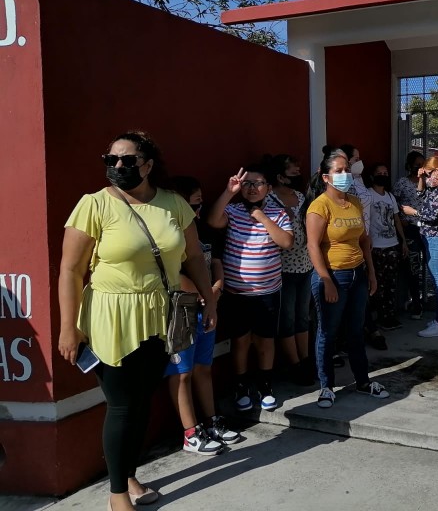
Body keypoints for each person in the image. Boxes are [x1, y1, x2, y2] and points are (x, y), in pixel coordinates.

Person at [58, 131, 217, 511]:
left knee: (142, 400)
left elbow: (193, 257)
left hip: (161, 314)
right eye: (110, 160)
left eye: (127, 161)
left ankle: (128, 476)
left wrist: (208, 301)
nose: (117, 167)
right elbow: (69, 269)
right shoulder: (93, 205)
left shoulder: (173, 204)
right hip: (110, 316)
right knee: (122, 404)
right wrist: (68, 326)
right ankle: (117, 496)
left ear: (147, 165)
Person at [306, 148, 390, 408]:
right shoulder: (319, 206)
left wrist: (371, 273)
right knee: (328, 333)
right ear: (325, 177)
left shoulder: (353, 202)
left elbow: (364, 239)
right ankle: (326, 387)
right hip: (333, 276)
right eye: (339, 171)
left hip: (357, 275)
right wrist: (326, 280)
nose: (345, 174)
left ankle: (363, 382)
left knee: (355, 331)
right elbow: (312, 246)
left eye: (347, 170)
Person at [207, 164, 293, 412]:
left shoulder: (278, 214)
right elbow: (213, 221)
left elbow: (286, 242)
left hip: (267, 292)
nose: (252, 188)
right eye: (247, 184)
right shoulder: (232, 210)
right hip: (237, 293)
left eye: (258, 183)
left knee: (265, 341)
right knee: (241, 341)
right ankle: (241, 385)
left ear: (268, 187)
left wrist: (263, 218)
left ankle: (265, 385)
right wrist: (228, 192)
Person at [164, 176, 240, 455]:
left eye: (200, 203)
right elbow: (172, 274)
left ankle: (211, 422)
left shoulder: (203, 231)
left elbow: (216, 261)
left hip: (208, 305)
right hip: (181, 310)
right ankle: (190, 432)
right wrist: (203, 292)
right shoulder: (170, 235)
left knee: (203, 368)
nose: (198, 210)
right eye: (193, 203)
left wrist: (215, 290)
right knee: (181, 373)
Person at [265, 154, 316, 386]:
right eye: (291, 168)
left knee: (303, 316)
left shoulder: (299, 196)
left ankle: (305, 360)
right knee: (286, 318)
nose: (297, 169)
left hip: (305, 265)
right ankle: (293, 363)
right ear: (278, 175)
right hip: (282, 268)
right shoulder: (268, 199)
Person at [401, 156, 438, 338]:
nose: (427, 179)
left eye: (427, 174)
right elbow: (422, 195)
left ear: (437, 172)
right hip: (436, 237)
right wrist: (420, 179)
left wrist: (413, 212)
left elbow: (432, 214)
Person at [339, 143, 387, 350]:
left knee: (365, 287)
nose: (359, 162)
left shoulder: (360, 181)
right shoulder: (344, 182)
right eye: (355, 158)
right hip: (350, 241)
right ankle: (359, 332)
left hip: (365, 239)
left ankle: (364, 330)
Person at [366, 162, 408, 331]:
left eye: (385, 172)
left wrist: (403, 241)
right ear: (372, 176)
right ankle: (378, 318)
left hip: (392, 245)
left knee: (391, 284)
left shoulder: (390, 197)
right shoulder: (368, 196)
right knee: (378, 284)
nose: (383, 175)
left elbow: (396, 220)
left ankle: (389, 316)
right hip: (376, 247)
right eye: (379, 172)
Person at [393, 151, 426, 319]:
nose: (419, 167)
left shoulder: (427, 182)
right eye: (417, 164)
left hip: (427, 229)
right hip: (410, 228)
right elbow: (394, 203)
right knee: (413, 268)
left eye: (422, 164)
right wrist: (402, 217)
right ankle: (416, 303)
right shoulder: (402, 183)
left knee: (431, 265)